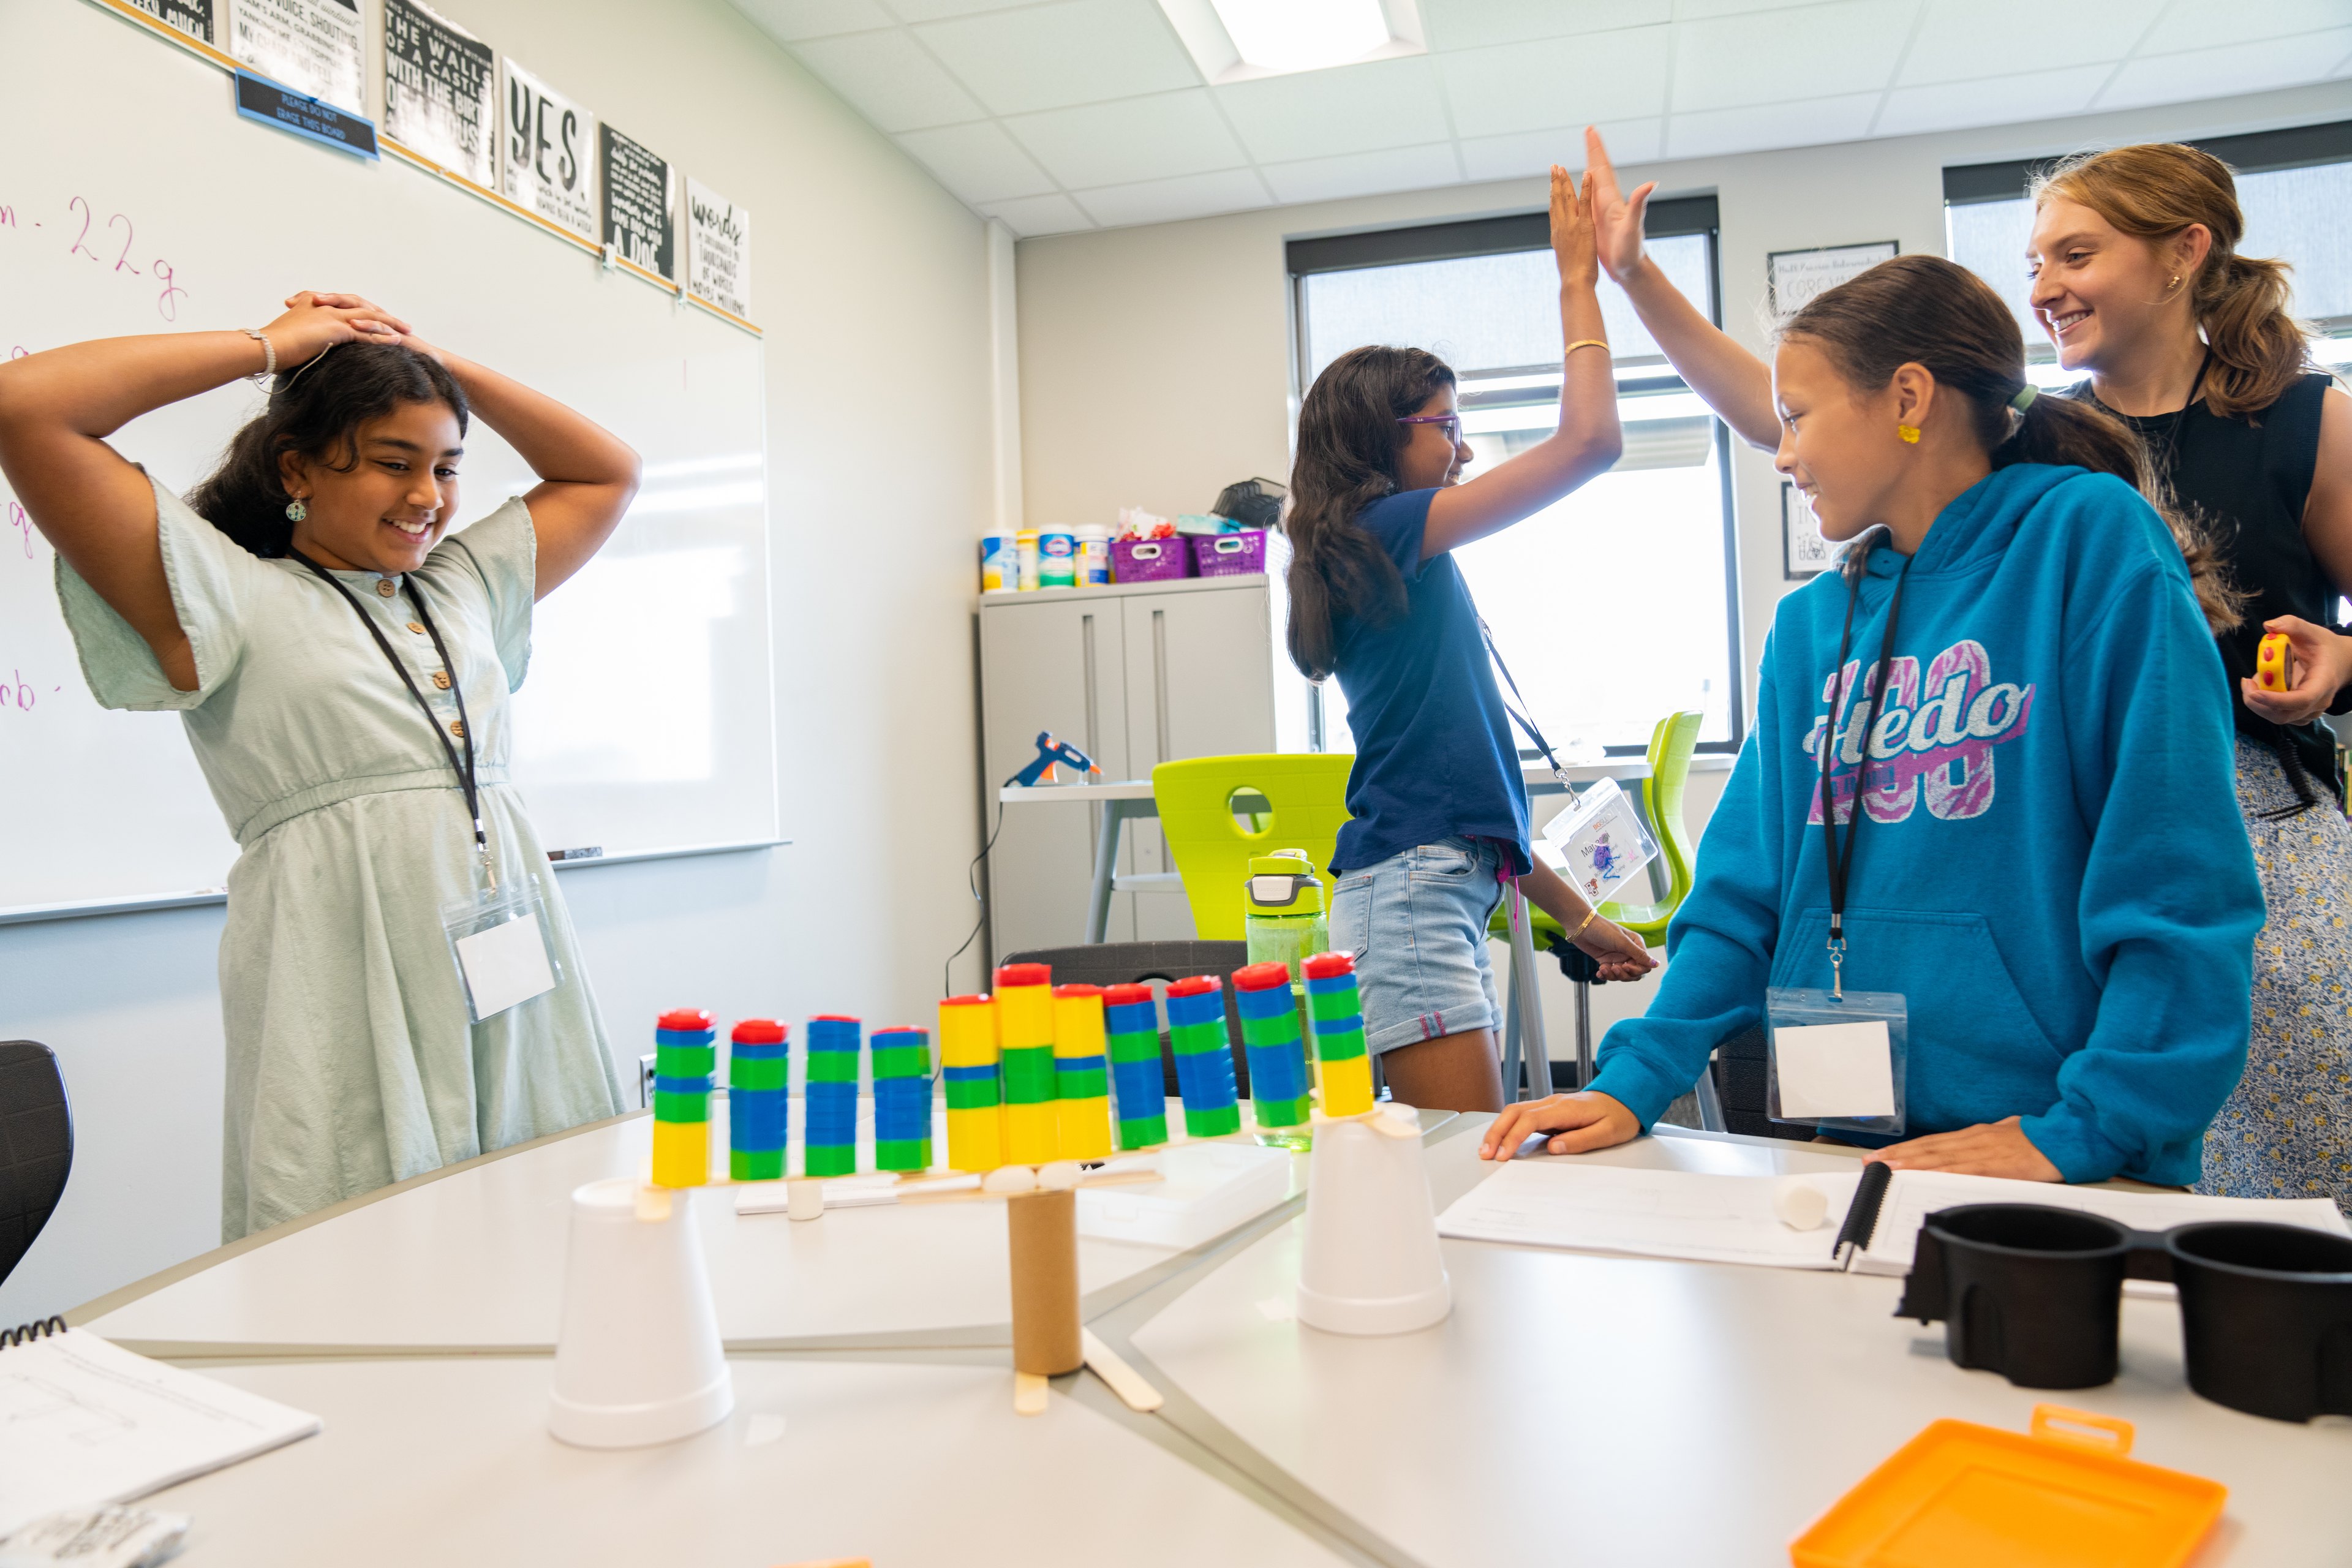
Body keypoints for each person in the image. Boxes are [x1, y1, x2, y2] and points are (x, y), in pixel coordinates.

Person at [1479, 140, 2263, 1184]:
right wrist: (1632, 1080)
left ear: (1907, 397)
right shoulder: (1812, 628)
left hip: (2061, 1153)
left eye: (1798, 418)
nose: (1785, 452)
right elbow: (1741, 898)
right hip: (1849, 1143)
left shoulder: (2087, 544)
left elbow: (2177, 883)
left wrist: (2085, 1128)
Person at [0, 292, 638, 1238]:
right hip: (335, 960)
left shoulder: (461, 584)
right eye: (394, 463)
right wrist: (272, 347)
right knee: (354, 1228)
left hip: (508, 944)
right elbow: (27, 406)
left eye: (446, 468)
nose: (428, 496)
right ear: (297, 466)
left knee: (543, 1212)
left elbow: (607, 473)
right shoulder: (228, 593)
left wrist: (424, 357)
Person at [1283, 165, 1655, 1115]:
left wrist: (1584, 924)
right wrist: (1580, 283)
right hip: (1407, 902)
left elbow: (1469, 816)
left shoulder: (1394, 558)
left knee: (1460, 1168)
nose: (1465, 448)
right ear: (1379, 438)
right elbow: (1590, 444)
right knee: (1467, 1173)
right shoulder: (1388, 530)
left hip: (1423, 890)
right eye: (1446, 426)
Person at [2026, 143, 2352, 1205]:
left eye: (2075, 254)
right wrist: (1632, 283)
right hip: (2081, 833)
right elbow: (1815, 405)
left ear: (2183, 253)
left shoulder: (2307, 422)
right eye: (2035, 263)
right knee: (2118, 1170)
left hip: (2264, 827)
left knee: (2305, 1165)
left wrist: (2342, 662)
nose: (2043, 289)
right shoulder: (2031, 444)